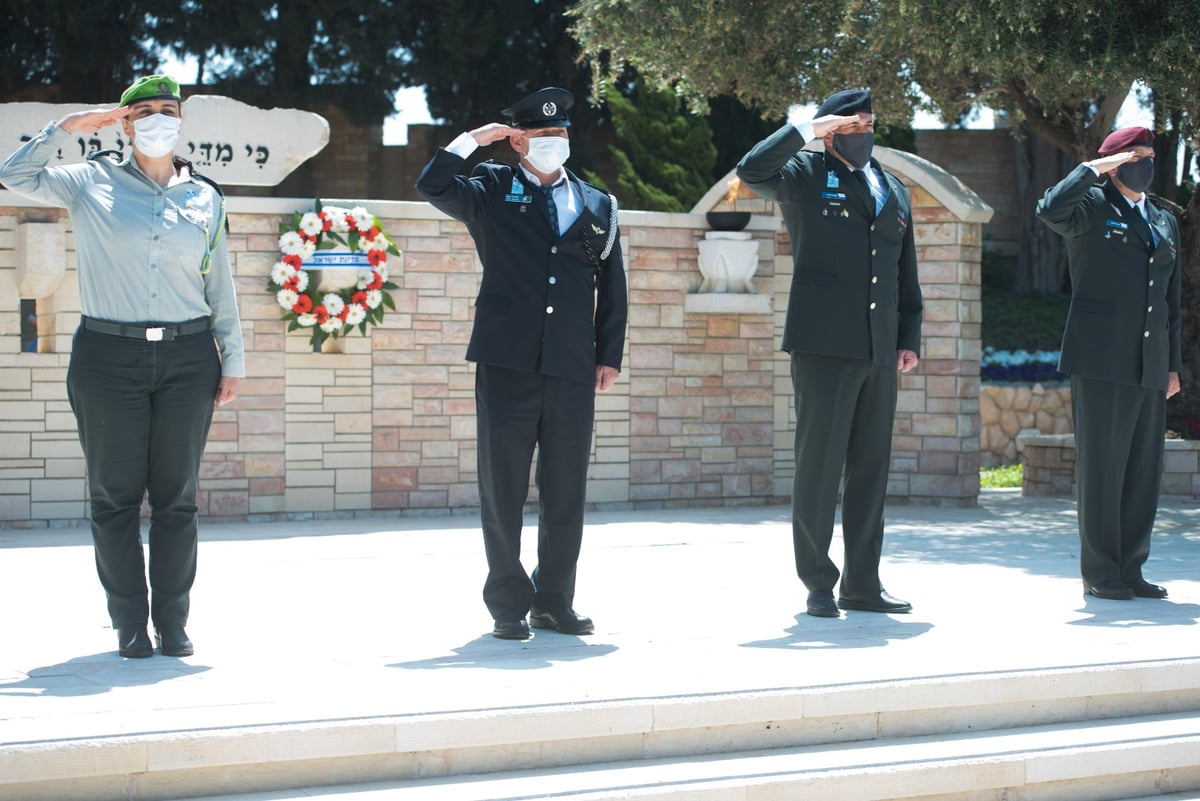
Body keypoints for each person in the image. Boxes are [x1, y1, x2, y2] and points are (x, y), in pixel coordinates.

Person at [0, 75, 245, 657]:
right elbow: (13, 176)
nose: (160, 118)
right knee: (113, 498)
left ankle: (174, 623)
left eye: (170, 109)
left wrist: (232, 356)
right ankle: (130, 623)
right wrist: (65, 129)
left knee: (177, 499)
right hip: (107, 357)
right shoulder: (90, 181)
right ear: (125, 120)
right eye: (147, 110)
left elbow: (220, 284)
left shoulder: (204, 196)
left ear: (181, 120)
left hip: (188, 358)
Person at [415, 87, 627, 640]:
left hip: (573, 366)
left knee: (566, 489)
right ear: (518, 140)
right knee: (503, 485)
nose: (553, 143)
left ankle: (555, 601)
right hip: (507, 361)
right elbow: (431, 184)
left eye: (560, 134)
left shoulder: (598, 203)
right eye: (540, 135)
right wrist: (474, 141)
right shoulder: (491, 187)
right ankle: (509, 604)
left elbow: (612, 287)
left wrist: (609, 355)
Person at [736, 88, 923, 618]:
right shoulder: (805, 175)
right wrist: (805, 131)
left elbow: (902, 267)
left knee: (870, 468)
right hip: (823, 343)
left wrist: (908, 335)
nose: (863, 130)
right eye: (851, 123)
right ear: (830, 130)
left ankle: (863, 583)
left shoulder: (893, 188)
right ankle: (818, 581)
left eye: (868, 122)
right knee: (818, 466)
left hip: (879, 346)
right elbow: (751, 170)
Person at [1035, 126, 1181, 601]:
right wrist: (1091, 171)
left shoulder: (1162, 219)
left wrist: (1173, 366)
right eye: (1137, 156)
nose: (1147, 164)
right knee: (1103, 467)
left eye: (1151, 155)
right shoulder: (1091, 207)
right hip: (1100, 358)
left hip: (1150, 362)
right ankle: (1101, 571)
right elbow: (1049, 209)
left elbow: (1171, 301)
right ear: (1115, 163)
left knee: (1142, 469)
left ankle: (1131, 566)